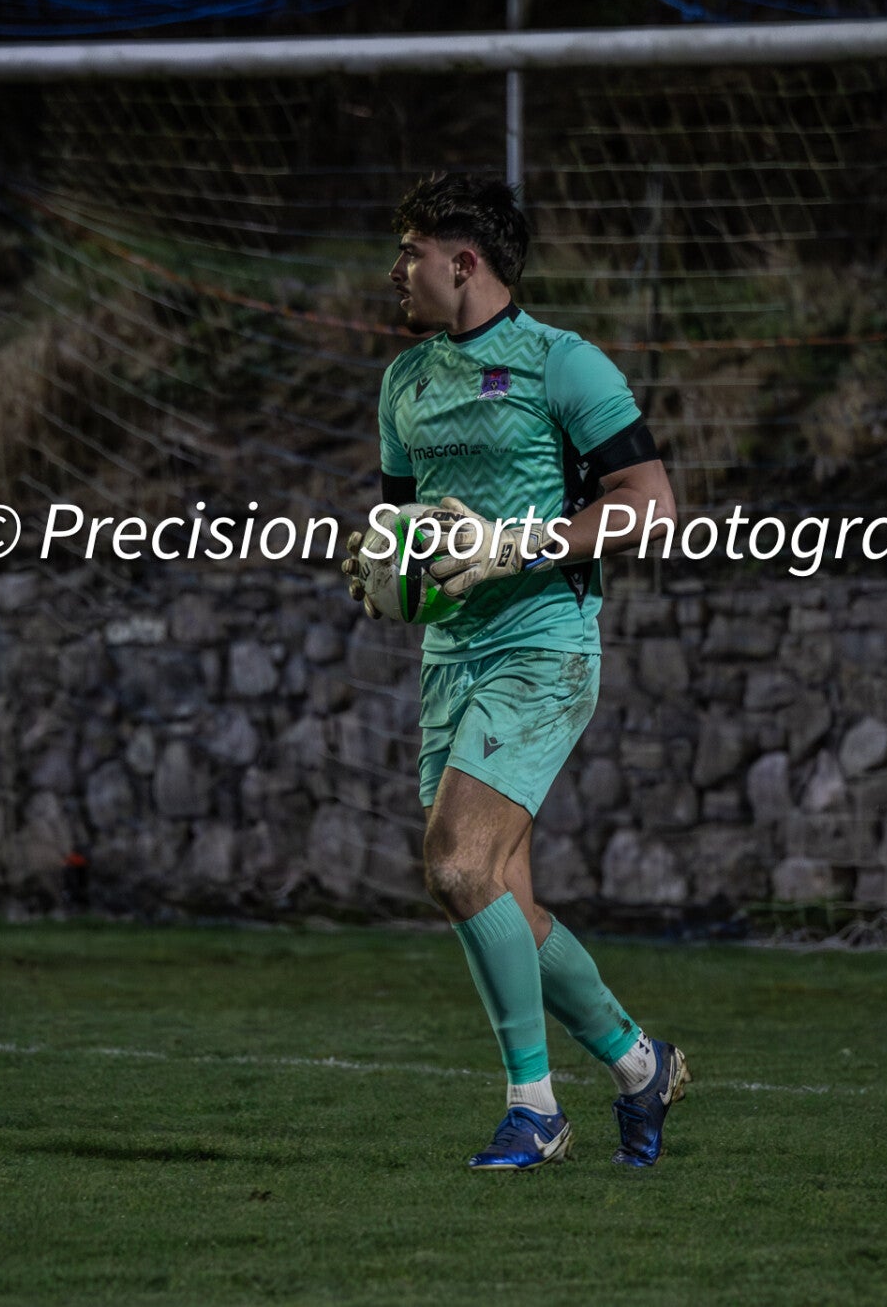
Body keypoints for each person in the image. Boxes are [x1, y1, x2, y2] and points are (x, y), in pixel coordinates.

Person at [341, 171, 689, 1171]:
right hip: (452, 654)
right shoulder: (402, 382)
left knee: (454, 862)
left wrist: (523, 547)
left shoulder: (561, 364)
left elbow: (649, 500)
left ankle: (533, 1106)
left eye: (410, 250)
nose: (395, 268)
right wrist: (385, 571)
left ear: (465, 261)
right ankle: (636, 1065)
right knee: (500, 894)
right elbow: (407, 527)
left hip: (544, 642)